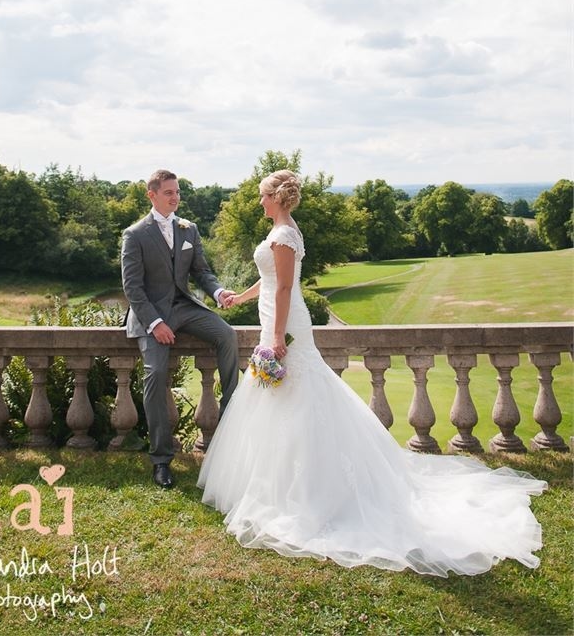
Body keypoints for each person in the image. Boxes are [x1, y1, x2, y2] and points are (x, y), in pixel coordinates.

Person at [198, 169, 547, 575]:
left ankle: (311, 494)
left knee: (297, 397)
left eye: (262, 196)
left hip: (284, 325)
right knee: (279, 400)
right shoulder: (283, 230)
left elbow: (285, 289)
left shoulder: (284, 236)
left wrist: (275, 339)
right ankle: (270, 486)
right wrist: (242, 295)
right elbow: (269, 279)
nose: (259, 202)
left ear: (276, 197)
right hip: (274, 320)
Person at [122, 169, 239, 489]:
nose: (176, 197)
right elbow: (132, 288)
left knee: (228, 336)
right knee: (156, 373)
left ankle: (233, 419)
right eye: (169, 192)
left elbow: (202, 272)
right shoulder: (134, 234)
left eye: (178, 192)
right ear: (152, 195)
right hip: (151, 315)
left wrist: (218, 292)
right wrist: (156, 323)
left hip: (185, 308)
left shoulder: (189, 229)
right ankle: (161, 459)